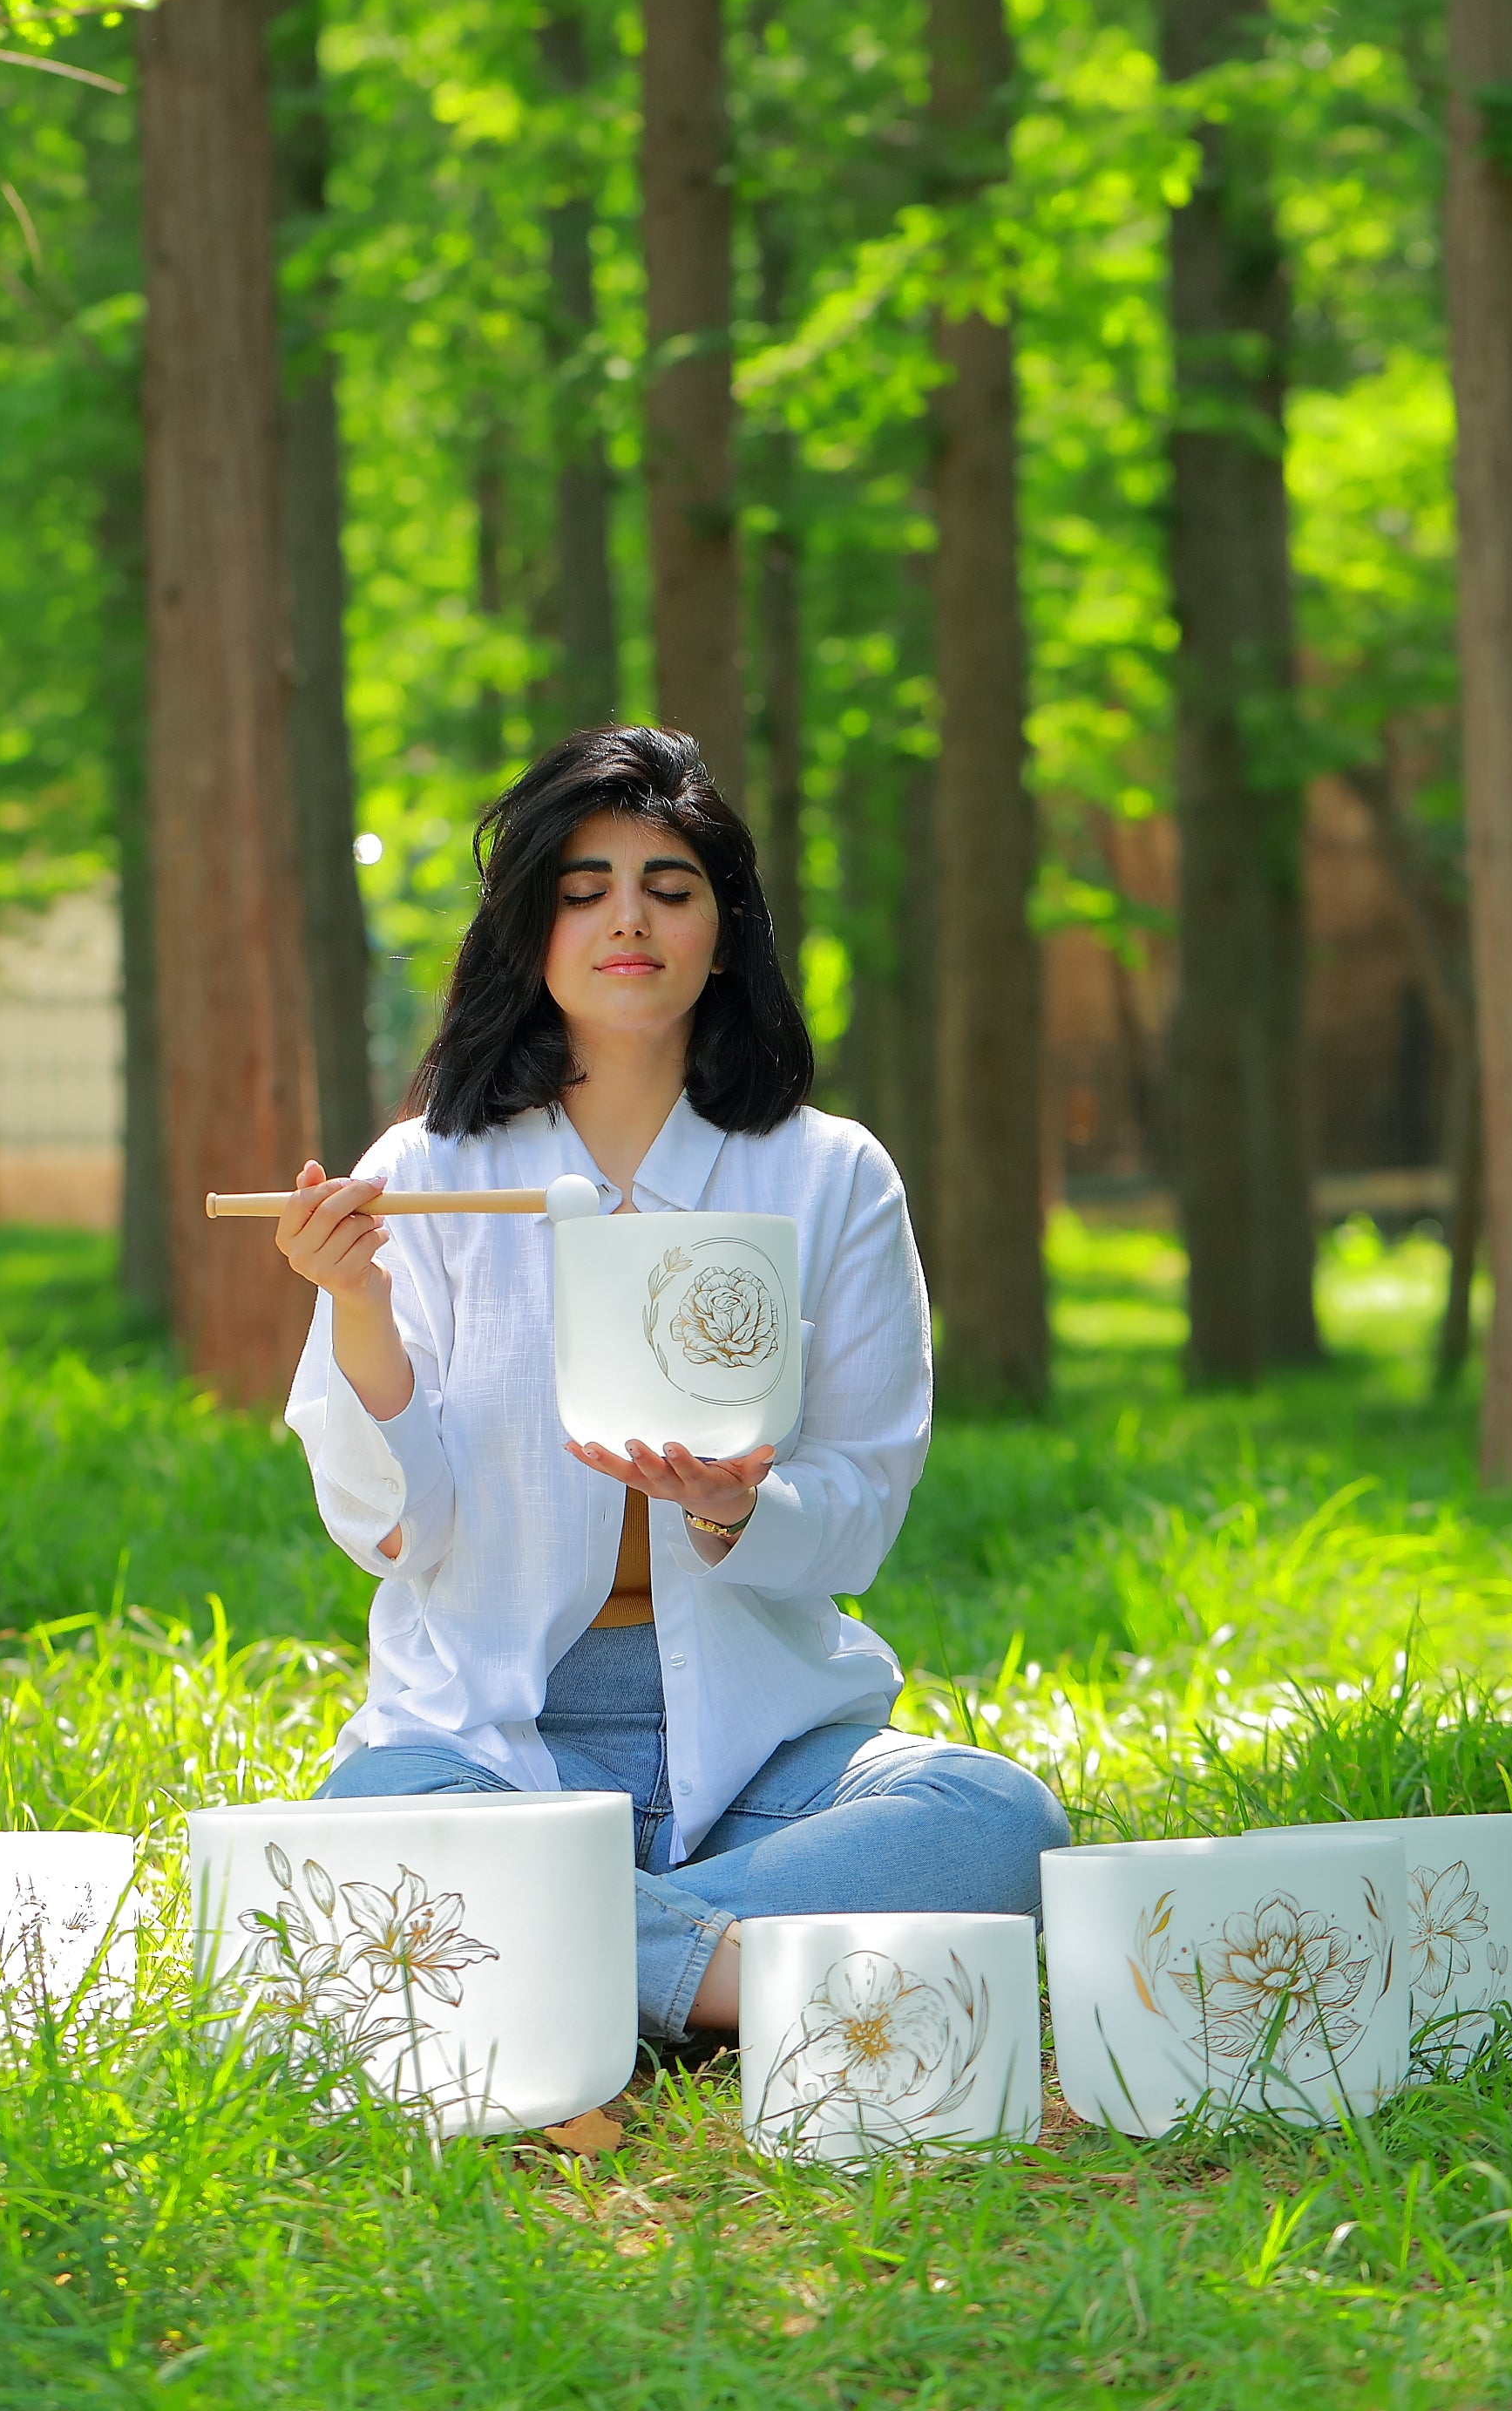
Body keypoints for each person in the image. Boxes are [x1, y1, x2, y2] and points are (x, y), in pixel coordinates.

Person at [275, 723, 1069, 2051]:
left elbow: (865, 1500)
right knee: (379, 1830)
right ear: (530, 929)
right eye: (582, 891)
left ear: (725, 925)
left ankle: (582, 1965)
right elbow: (388, 1528)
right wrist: (359, 1307)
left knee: (1001, 1824)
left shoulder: (830, 1175)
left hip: (764, 1747)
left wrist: (734, 1509)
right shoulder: (433, 1168)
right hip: (489, 1739)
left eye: (670, 887)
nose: (626, 920)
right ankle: (747, 1980)